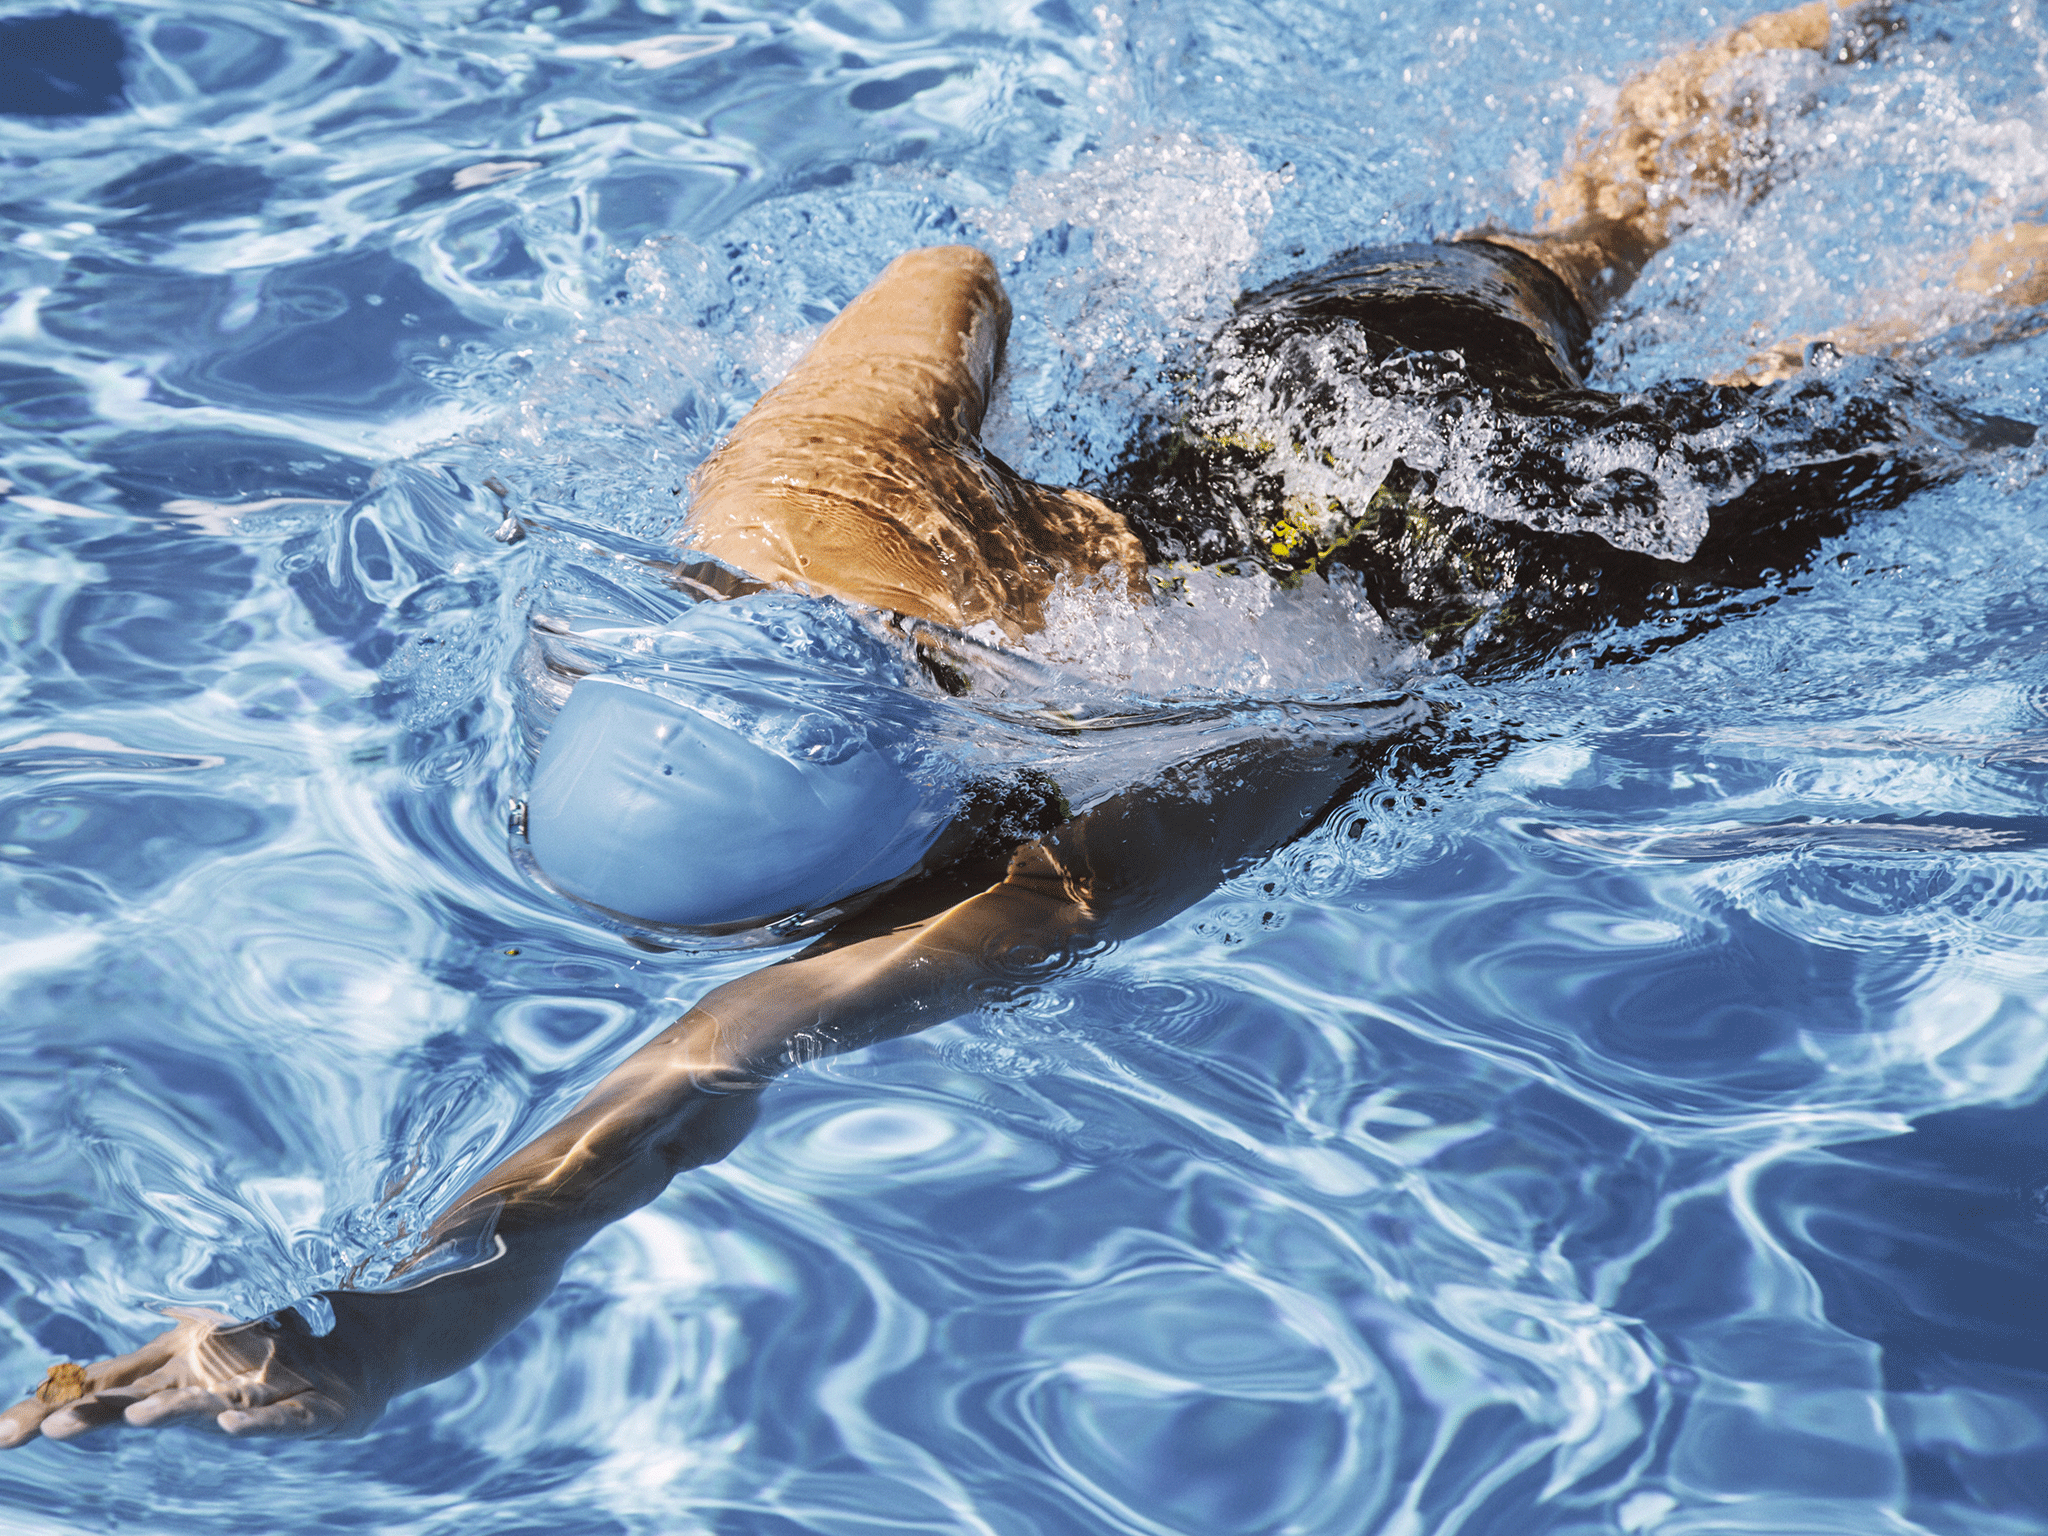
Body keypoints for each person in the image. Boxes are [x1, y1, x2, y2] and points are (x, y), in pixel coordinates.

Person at [4, 0, 2040, 1445]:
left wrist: (387, 1330)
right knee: (1583, 227)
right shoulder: (784, 506)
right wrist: (947, 532)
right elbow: (950, 274)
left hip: (1525, 569)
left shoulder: (1098, 850)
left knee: (1911, 360)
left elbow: (716, 1070)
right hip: (1309, 378)